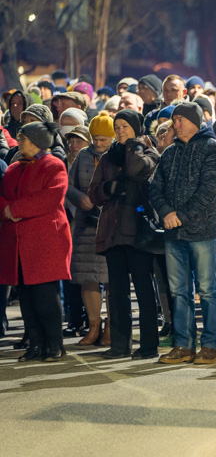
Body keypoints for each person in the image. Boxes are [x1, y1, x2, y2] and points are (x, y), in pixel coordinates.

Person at [150, 102, 216, 364]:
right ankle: (183, 345)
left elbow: (208, 192)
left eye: (180, 119)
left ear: (195, 121)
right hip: (174, 234)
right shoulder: (169, 153)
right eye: (174, 120)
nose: (175, 125)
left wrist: (178, 216)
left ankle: (210, 346)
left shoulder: (213, 149)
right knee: (179, 291)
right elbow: (155, 188)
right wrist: (165, 212)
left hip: (202, 232)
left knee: (207, 290)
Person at [88, 110, 161, 359]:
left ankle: (149, 345)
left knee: (144, 291)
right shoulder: (108, 158)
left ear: (136, 129)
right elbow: (93, 193)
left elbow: (138, 170)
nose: (119, 131)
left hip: (138, 234)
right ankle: (120, 345)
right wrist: (108, 188)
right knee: (117, 294)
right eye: (117, 127)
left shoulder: (148, 151)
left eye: (125, 127)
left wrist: (133, 146)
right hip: (112, 233)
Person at [0, 122, 72, 362]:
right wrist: (7, 209)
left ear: (36, 141)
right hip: (18, 243)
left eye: (23, 139)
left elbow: (49, 198)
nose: (19, 143)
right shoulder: (13, 169)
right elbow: (2, 199)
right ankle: (35, 344)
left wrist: (14, 209)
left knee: (45, 296)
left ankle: (54, 345)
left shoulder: (54, 166)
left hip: (44, 243)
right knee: (26, 297)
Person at [67, 120, 111, 347]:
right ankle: (94, 326)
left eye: (103, 139)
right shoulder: (84, 155)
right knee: (88, 278)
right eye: (96, 139)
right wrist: (78, 198)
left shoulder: (116, 155)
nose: (98, 143)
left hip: (110, 223)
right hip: (85, 226)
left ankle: (111, 327)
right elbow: (68, 184)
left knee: (111, 278)